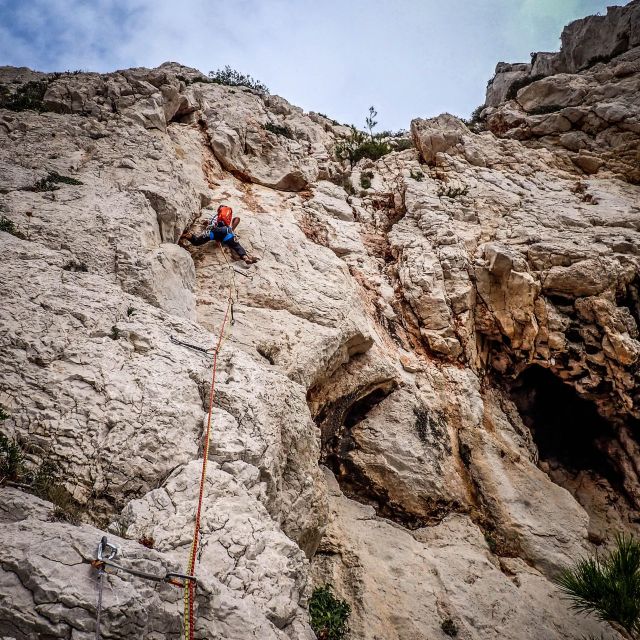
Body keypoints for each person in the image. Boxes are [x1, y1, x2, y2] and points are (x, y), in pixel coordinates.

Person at [182, 205, 257, 264]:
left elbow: (206, 223)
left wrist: (206, 223)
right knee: (236, 246)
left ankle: (189, 236)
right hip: (227, 233)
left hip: (213, 233)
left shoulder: (214, 217)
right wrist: (231, 229)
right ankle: (245, 258)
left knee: (197, 241)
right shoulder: (227, 219)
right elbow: (237, 218)